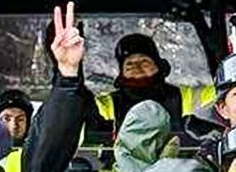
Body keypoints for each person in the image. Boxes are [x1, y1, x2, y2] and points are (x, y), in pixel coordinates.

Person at [83, 32, 215, 135]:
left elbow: (224, 92)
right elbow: (79, 109)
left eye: (144, 61)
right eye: (129, 63)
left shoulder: (184, 97)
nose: (137, 67)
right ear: (121, 72)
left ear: (158, 66)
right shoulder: (108, 104)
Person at [0, 89, 33, 172]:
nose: (14, 125)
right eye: (7, 119)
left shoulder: (35, 154)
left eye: (20, 119)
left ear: (28, 124)